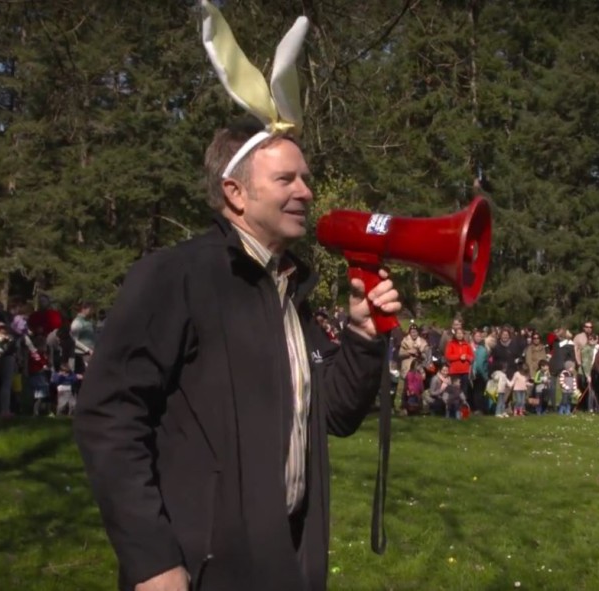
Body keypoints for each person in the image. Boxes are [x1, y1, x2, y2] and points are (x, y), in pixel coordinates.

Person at [73, 35, 403, 591]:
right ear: (235, 192)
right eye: (285, 180)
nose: (305, 191)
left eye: (306, 178)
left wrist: (363, 336)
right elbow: (108, 418)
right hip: (203, 570)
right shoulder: (174, 277)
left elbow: (335, 416)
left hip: (287, 561)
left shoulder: (290, 291)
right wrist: (151, 560)